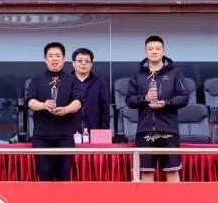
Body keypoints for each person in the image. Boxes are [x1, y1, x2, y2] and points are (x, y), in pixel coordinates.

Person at [124, 35, 189, 182]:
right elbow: (129, 100)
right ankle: (147, 199)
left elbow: (184, 97)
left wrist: (166, 103)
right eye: (150, 49)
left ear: (163, 51)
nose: (154, 51)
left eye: (158, 48)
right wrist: (144, 98)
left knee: (172, 172)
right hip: (145, 131)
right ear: (145, 52)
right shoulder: (137, 74)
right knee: (146, 173)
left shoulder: (175, 73)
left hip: (169, 130)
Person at [26, 42, 82, 181]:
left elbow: (78, 102)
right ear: (45, 59)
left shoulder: (72, 80)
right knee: (45, 176)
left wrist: (66, 110)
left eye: (58, 56)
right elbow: (30, 102)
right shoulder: (36, 80)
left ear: (64, 59)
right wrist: (43, 105)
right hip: (42, 137)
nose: (54, 59)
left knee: (64, 177)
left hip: (65, 137)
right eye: (50, 56)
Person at [71, 48, 110, 133]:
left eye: (87, 61)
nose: (83, 64)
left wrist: (103, 131)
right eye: (80, 61)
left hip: (94, 130)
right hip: (69, 132)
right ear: (73, 63)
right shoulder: (66, 81)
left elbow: (105, 110)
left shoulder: (100, 83)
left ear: (91, 64)